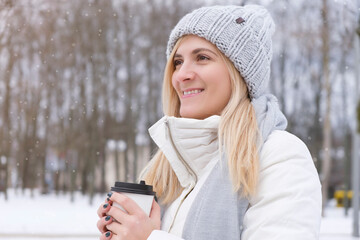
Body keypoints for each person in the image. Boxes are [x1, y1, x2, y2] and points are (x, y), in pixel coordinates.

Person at [97, 4, 322, 240]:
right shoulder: (171, 172)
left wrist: (149, 238)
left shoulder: (280, 156)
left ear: (240, 74)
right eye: (178, 62)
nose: (182, 75)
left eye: (202, 57)